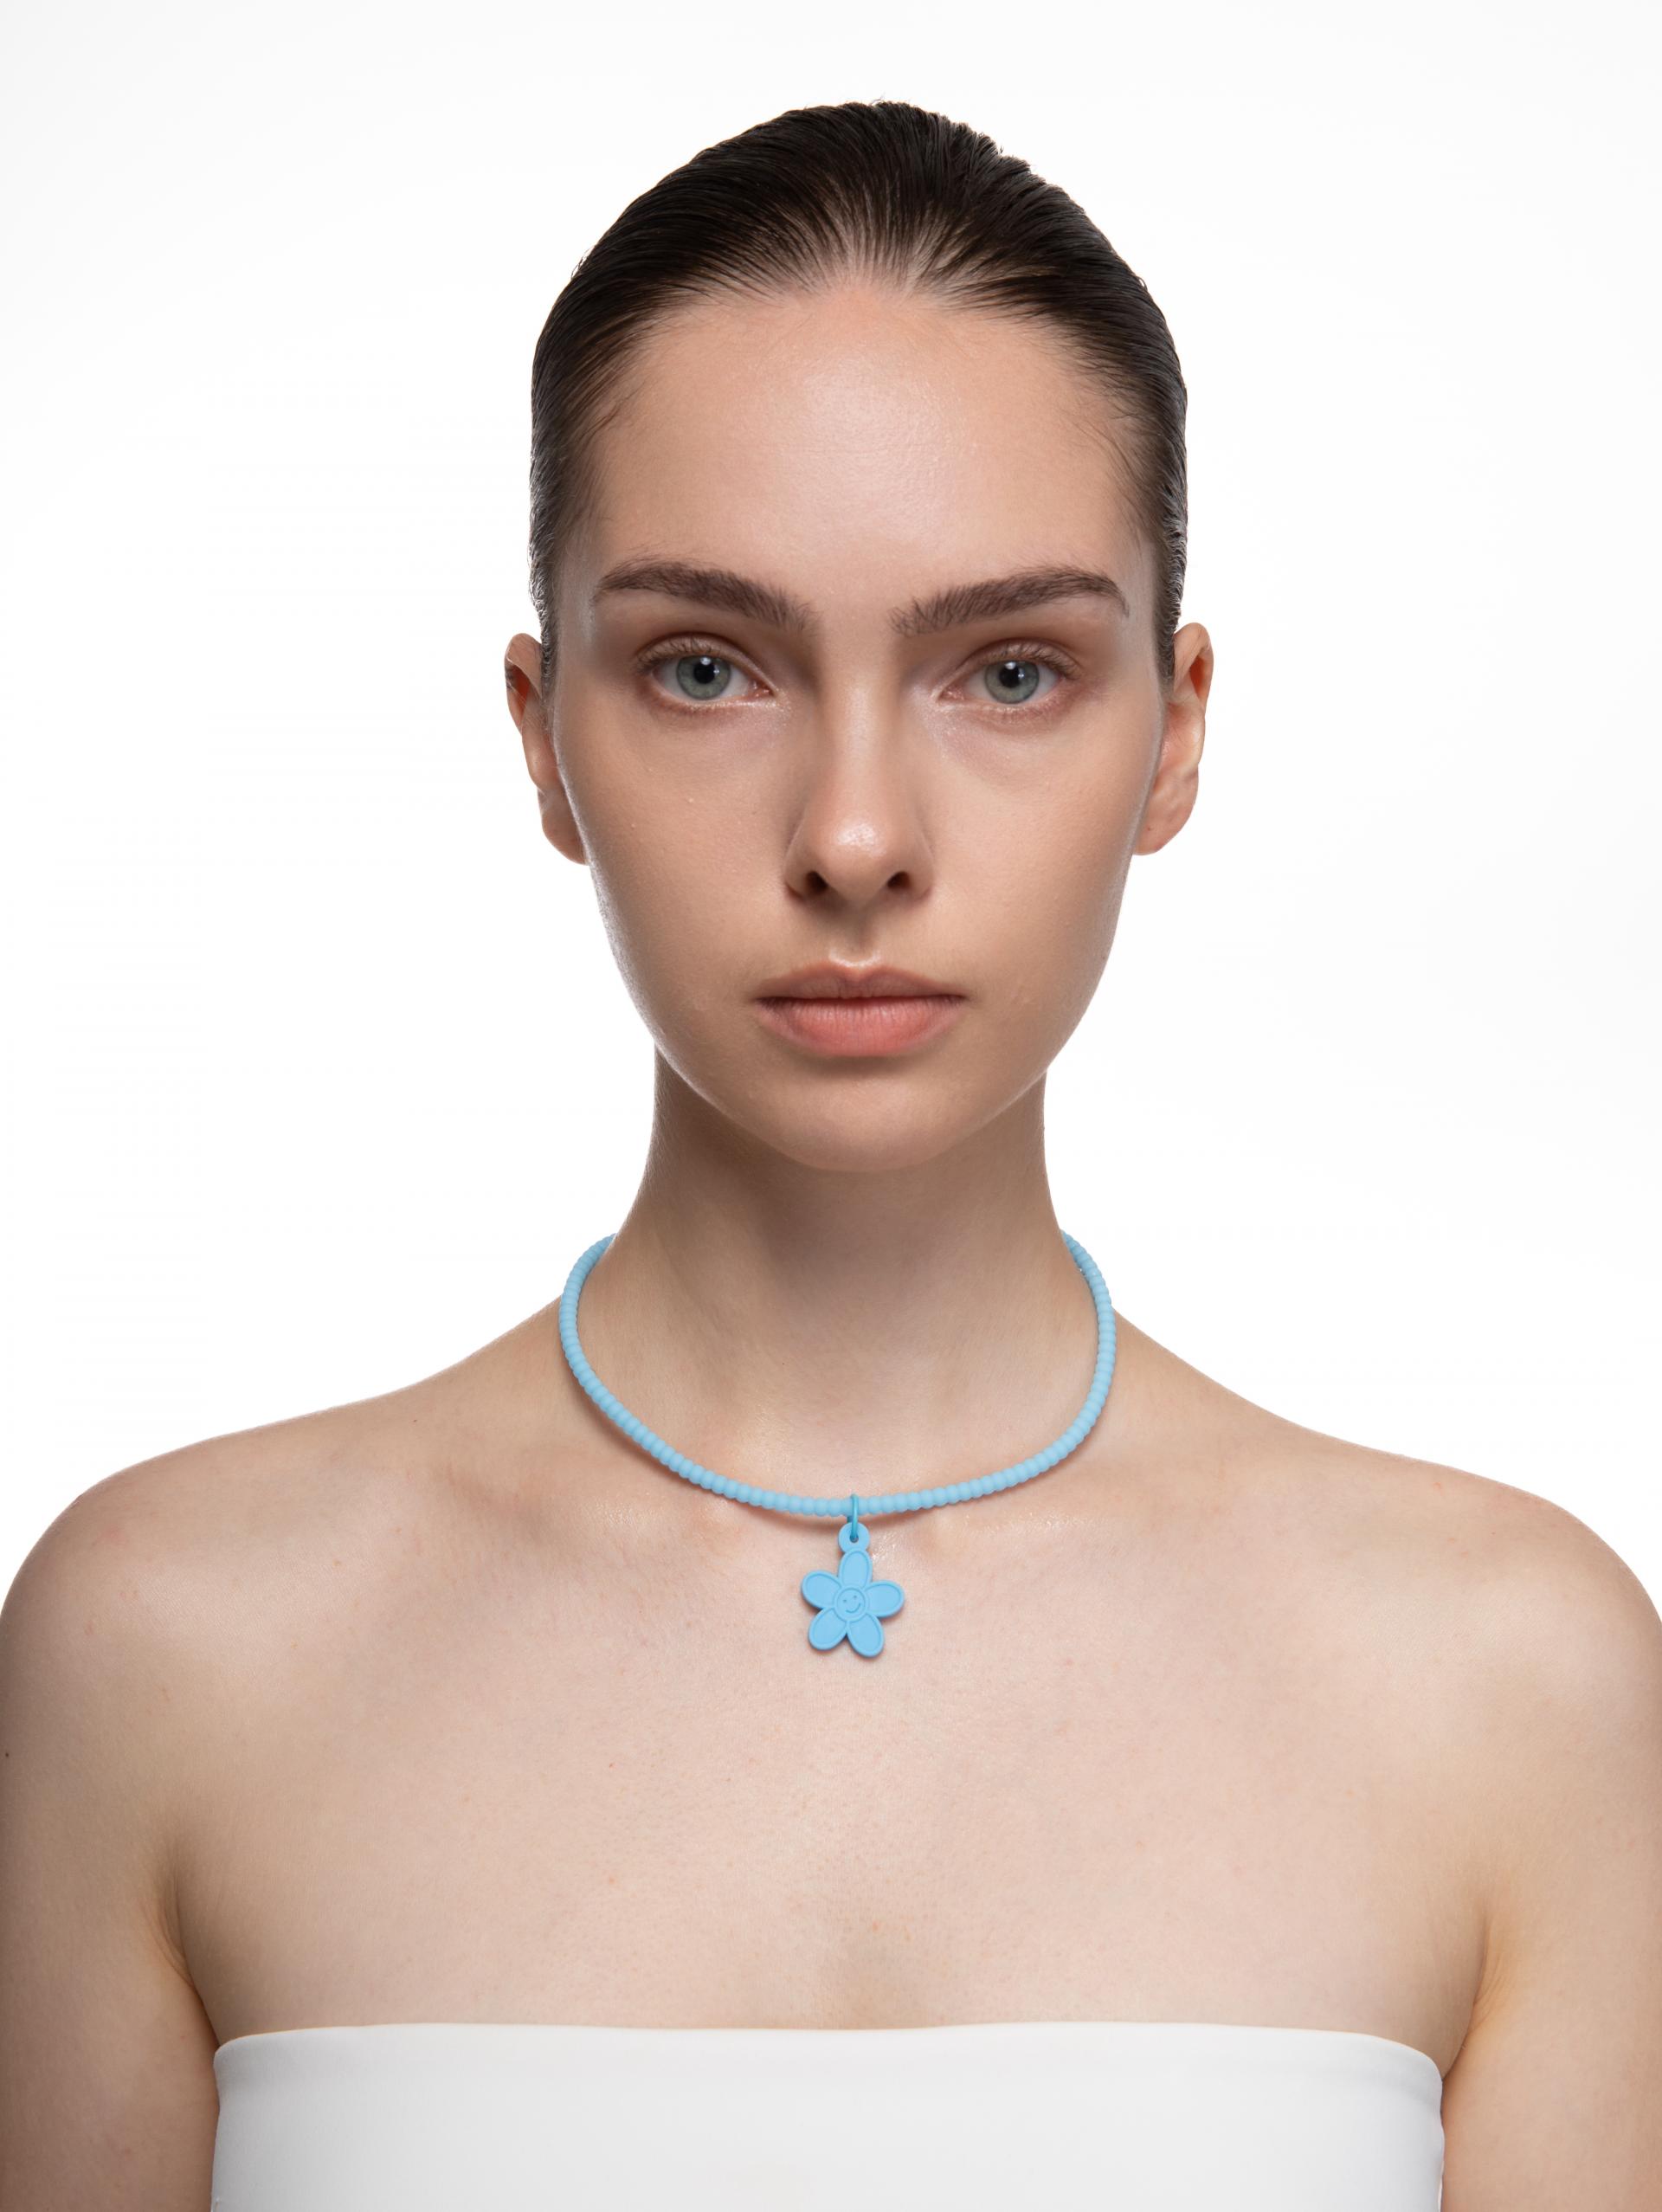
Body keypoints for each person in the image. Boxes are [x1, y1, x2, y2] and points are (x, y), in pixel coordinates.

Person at [2, 97, 1659, 2212]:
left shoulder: (1517, 1685)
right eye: (708, 668)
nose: (856, 836)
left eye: (1010, 671)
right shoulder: (162, 1653)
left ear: (1174, 731)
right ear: (544, 737)